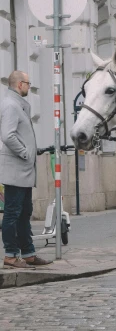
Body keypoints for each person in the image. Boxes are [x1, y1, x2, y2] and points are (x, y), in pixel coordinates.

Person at [0, 71, 51, 269]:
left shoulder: (18, 105)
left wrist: (30, 151)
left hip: (23, 170)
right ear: (20, 84)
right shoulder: (11, 105)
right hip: (16, 170)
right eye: (28, 84)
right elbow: (8, 135)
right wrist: (25, 153)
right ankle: (11, 255)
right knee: (13, 213)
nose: (30, 87)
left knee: (24, 212)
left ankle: (28, 253)